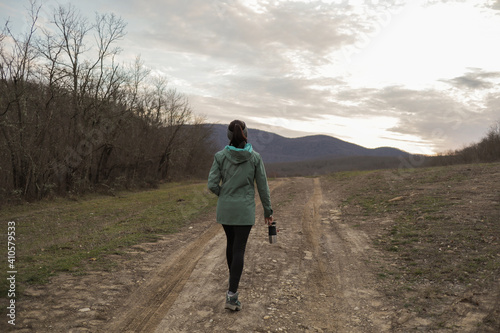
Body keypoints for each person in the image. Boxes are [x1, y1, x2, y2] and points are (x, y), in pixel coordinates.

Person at [207, 120, 273, 311]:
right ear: (246, 133)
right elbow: (263, 187)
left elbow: (212, 184)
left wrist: (225, 195)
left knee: (231, 244)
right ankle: (232, 294)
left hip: (226, 210)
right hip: (244, 210)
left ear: (229, 136)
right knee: (239, 249)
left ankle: (232, 285)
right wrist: (268, 211)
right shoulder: (255, 158)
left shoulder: (220, 156)